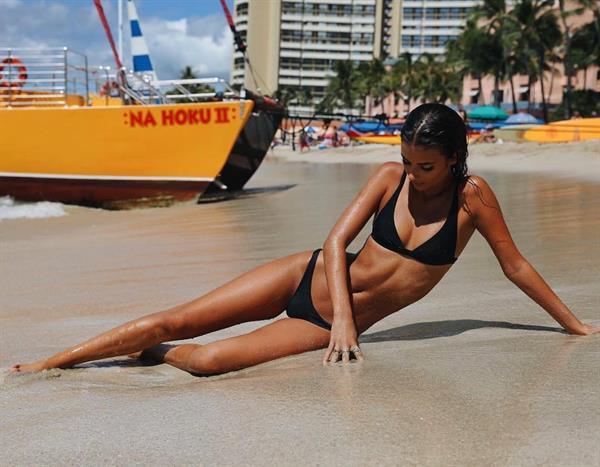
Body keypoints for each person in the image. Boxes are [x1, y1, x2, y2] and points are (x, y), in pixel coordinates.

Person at [11, 103, 599, 375]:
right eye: (407, 162)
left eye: (426, 167)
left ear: (453, 159)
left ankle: (150, 355)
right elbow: (335, 239)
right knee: (178, 318)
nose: (413, 175)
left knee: (209, 361)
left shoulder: (474, 199)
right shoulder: (388, 177)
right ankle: (52, 363)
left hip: (317, 322)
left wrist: (575, 327)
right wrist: (346, 319)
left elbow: (515, 266)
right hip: (308, 276)